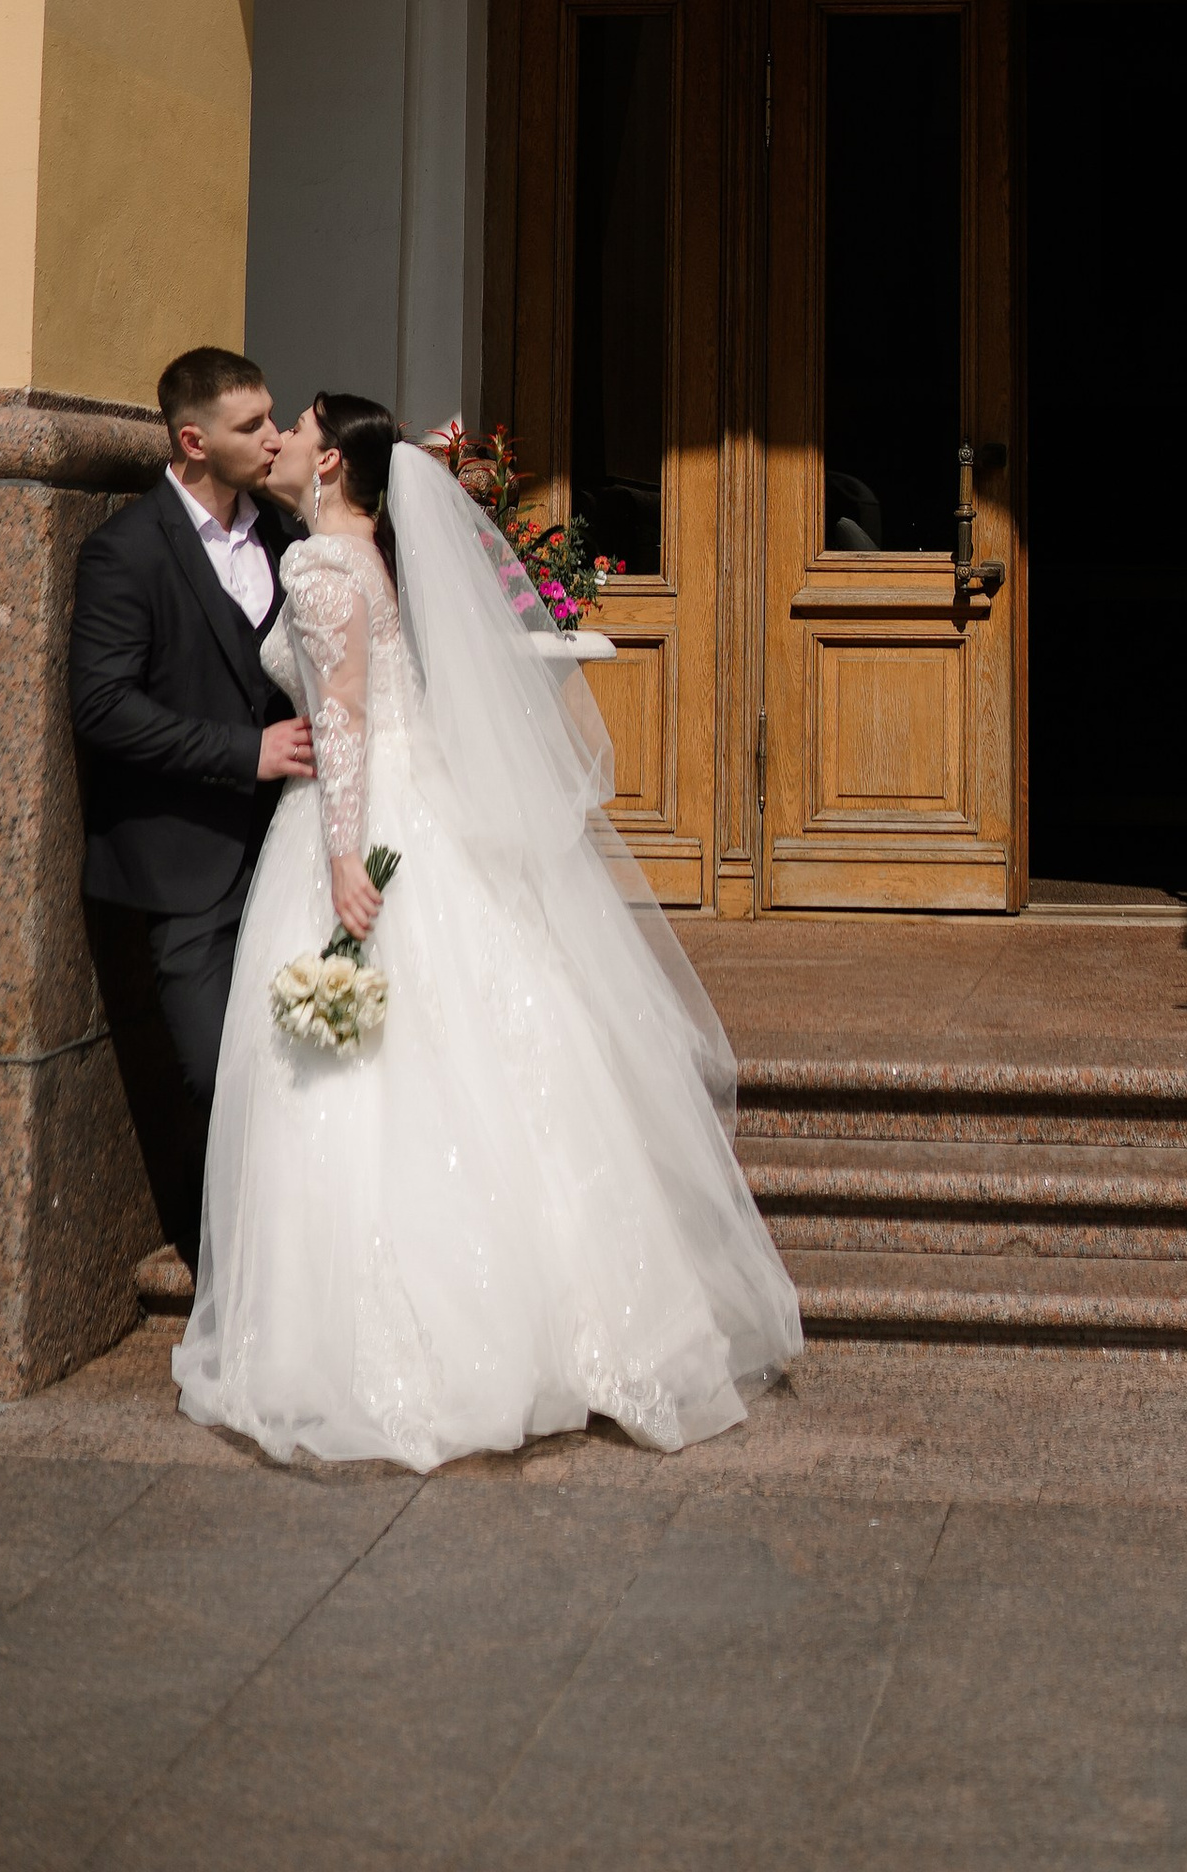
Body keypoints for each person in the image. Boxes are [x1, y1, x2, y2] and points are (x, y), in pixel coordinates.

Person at [175, 393, 802, 1467]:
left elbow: (346, 722)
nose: (279, 441)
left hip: (365, 823)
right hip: (430, 817)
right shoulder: (374, 556)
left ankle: (386, 1345)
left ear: (332, 469)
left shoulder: (323, 567)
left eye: (300, 431)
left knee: (356, 1081)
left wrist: (340, 863)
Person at [70, 347, 314, 1268]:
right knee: (219, 1066)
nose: (274, 435)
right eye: (252, 424)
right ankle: (239, 1272)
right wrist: (240, 753)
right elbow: (100, 705)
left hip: (291, 848)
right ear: (192, 439)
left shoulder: (290, 538)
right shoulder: (125, 551)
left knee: (309, 1057)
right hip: (187, 862)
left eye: (274, 417)